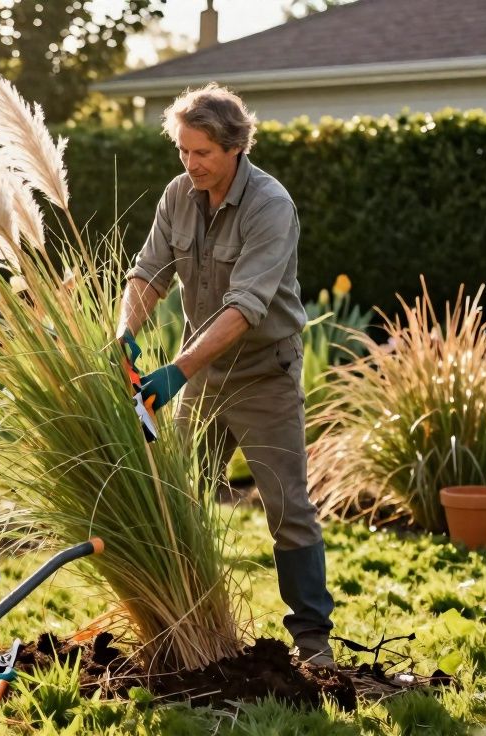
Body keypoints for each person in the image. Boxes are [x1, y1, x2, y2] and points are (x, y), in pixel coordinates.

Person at [115, 83, 336, 667]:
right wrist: (124, 331)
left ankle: (313, 642)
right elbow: (149, 273)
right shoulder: (179, 195)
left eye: (202, 154)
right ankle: (183, 624)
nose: (190, 166)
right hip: (204, 374)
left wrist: (175, 372)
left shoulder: (271, 205)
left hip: (265, 374)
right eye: (183, 152)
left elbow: (246, 307)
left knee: (287, 509)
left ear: (234, 147)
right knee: (181, 496)